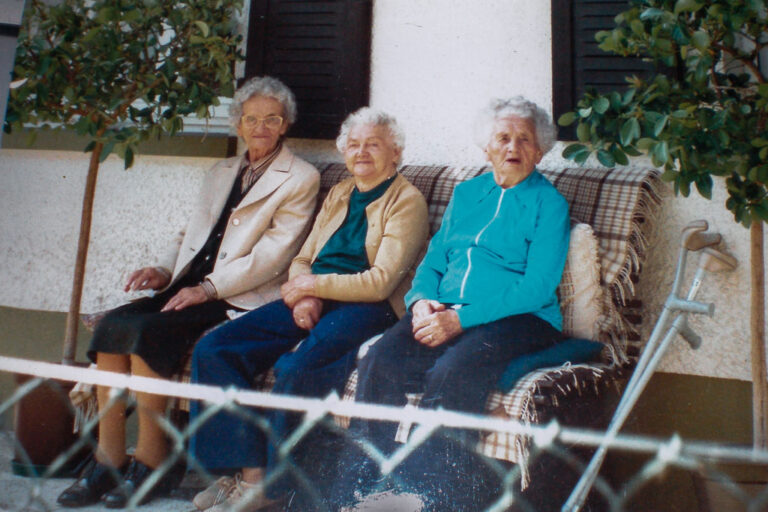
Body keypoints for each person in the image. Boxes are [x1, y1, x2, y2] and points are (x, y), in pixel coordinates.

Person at [57, 76, 320, 508]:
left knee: (147, 331)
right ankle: (108, 460)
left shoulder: (301, 177)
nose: (261, 127)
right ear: (237, 124)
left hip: (236, 295)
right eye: (251, 118)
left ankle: (153, 459)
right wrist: (163, 269)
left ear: (285, 124)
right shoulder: (221, 171)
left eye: (271, 119)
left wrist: (208, 288)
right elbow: (189, 234)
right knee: (115, 326)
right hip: (188, 286)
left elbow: (275, 254)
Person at [332, 96, 571, 511]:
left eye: (524, 140)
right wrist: (421, 302)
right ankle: (366, 491)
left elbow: (537, 287)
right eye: (503, 138)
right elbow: (434, 260)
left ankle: (432, 500)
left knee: (452, 372)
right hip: (445, 310)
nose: (513, 148)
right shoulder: (467, 194)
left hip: (520, 319)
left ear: (540, 149)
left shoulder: (547, 203)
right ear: (487, 147)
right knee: (379, 360)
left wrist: (461, 319)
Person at [187, 108, 429, 512]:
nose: (361, 152)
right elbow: (303, 258)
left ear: (395, 153)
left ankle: (277, 486)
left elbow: (381, 281)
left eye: (373, 144)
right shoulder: (340, 192)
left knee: (299, 368)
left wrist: (313, 286)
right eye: (353, 144)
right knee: (215, 349)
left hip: (369, 306)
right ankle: (247, 474)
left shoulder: (407, 201)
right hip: (314, 295)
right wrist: (304, 295)